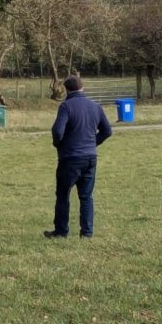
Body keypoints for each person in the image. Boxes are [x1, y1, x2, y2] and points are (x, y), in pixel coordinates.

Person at [44, 75, 112, 239]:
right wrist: (92, 143)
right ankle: (87, 233)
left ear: (66, 90)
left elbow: (58, 131)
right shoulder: (95, 106)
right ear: (83, 88)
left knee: (63, 195)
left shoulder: (66, 106)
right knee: (86, 196)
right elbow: (107, 131)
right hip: (90, 157)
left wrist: (59, 144)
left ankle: (61, 231)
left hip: (70, 158)